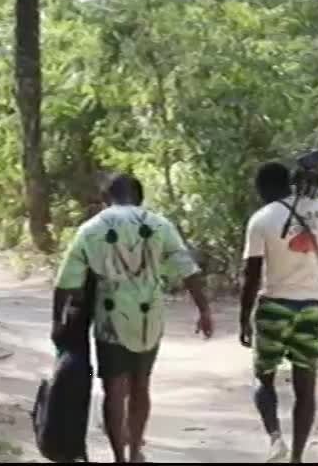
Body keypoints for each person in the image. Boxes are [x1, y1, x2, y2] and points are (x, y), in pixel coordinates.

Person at [52, 173, 214, 463]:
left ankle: (120, 459)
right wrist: (204, 310)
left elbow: (66, 282)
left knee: (115, 389)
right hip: (149, 318)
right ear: (140, 197)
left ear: (106, 198)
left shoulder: (91, 228)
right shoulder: (160, 224)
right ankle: (136, 449)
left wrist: (57, 321)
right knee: (141, 385)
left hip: (110, 321)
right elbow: (187, 269)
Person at [238, 161, 318, 463]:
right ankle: (297, 457)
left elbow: (252, 275)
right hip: (312, 306)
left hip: (275, 306)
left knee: (263, 378)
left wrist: (245, 318)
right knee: (305, 387)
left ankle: (275, 439)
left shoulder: (261, 219)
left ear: (262, 189)